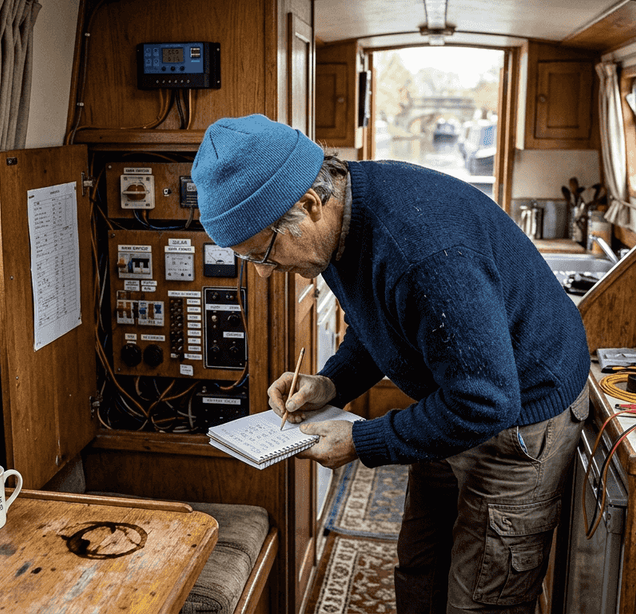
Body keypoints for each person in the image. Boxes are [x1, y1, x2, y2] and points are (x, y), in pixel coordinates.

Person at [191, 113, 590, 614]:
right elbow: (381, 323)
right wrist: (331, 384)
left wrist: (362, 441)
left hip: (523, 414)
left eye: (265, 254)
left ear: (310, 204)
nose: (271, 272)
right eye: (254, 262)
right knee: (420, 566)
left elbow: (487, 403)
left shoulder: (420, 252)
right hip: (454, 396)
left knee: (484, 599)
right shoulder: (340, 222)